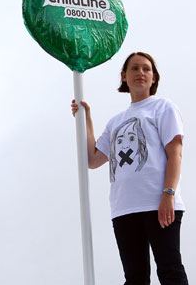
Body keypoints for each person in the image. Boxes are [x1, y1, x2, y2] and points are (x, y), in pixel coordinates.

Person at [71, 52, 188, 285]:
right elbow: (93, 160)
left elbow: (175, 153)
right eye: (134, 69)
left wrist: (168, 194)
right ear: (124, 76)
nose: (140, 73)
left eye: (146, 69)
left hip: (158, 201)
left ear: (154, 78)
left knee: (169, 270)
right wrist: (86, 118)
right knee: (135, 278)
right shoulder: (116, 121)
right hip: (124, 207)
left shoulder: (162, 107)